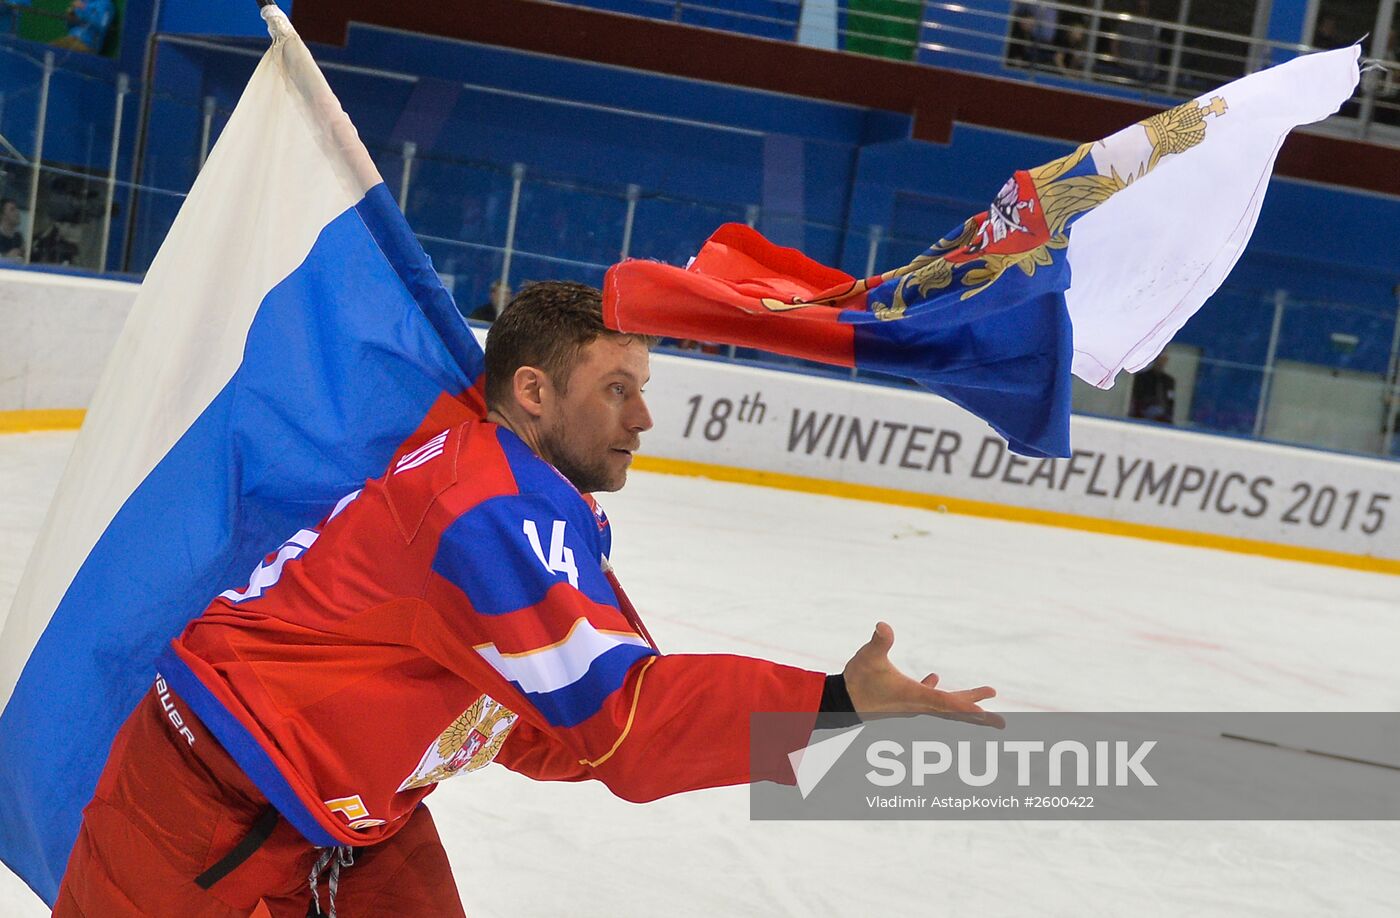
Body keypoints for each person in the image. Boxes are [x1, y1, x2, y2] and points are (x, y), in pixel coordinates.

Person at [54, 281, 1001, 916]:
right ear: (534, 390)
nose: (643, 416)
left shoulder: (516, 484)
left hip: (352, 806)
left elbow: (543, 726)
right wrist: (832, 704)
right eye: (617, 388)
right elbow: (618, 725)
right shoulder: (489, 512)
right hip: (211, 795)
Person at [1129, 352, 1176, 423]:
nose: (1161, 363)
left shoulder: (1168, 381)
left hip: (1162, 417)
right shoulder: (1142, 377)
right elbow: (1136, 396)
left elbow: (1170, 400)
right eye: (1160, 360)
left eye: (1164, 360)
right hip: (1142, 414)